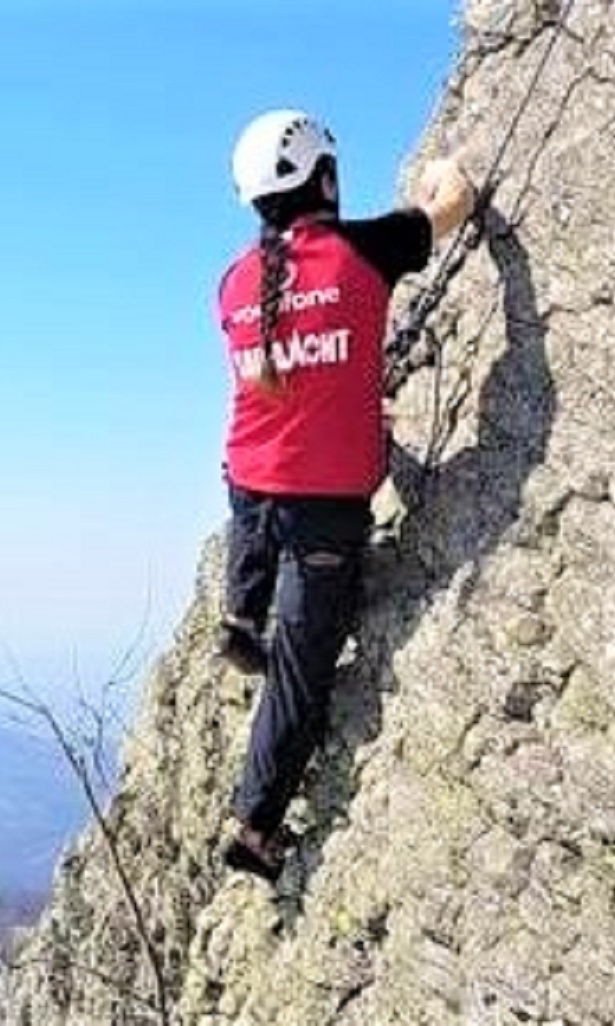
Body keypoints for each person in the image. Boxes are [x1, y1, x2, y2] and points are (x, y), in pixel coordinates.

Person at [215, 109, 476, 882]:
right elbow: (451, 202)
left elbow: (291, 369)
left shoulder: (232, 283)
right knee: (302, 672)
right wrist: (445, 161)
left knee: (255, 505)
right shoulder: (363, 250)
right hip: (319, 502)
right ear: (323, 177)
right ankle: (256, 826)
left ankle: (240, 608)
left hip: (247, 484)